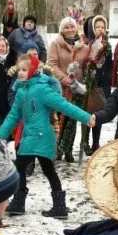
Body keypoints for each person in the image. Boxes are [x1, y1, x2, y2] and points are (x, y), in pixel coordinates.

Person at [0, 49, 94, 218]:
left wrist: (86, 118)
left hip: (42, 137)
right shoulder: (21, 91)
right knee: (19, 167)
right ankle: (20, 202)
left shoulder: (42, 89)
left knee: (47, 170)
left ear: (33, 70)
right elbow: (13, 116)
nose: (20, 73)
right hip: (28, 137)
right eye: (19, 70)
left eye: (24, 70)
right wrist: (0, 136)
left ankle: (58, 206)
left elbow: (64, 106)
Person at [47, 16, 88, 162]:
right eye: (66, 27)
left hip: (77, 88)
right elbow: (52, 64)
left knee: (73, 119)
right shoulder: (56, 44)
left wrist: (81, 82)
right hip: (60, 88)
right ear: (61, 30)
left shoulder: (84, 46)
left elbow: (85, 67)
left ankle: (69, 149)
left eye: (72, 26)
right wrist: (64, 79)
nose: (70, 29)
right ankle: (57, 148)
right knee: (59, 119)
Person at [82, 15, 113, 153]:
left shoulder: (107, 46)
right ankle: (85, 141)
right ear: (92, 28)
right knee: (87, 113)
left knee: (98, 114)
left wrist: (102, 76)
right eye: (97, 27)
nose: (100, 29)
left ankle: (96, 142)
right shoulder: (87, 44)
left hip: (102, 84)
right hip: (89, 84)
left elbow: (109, 66)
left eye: (102, 27)